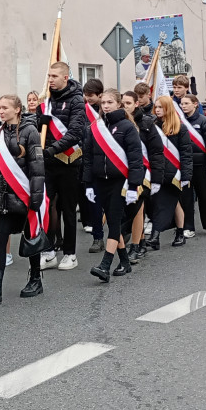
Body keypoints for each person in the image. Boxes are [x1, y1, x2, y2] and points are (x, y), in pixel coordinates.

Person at [0, 94, 45, 302]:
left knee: (30, 237)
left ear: (17, 109)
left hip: (23, 194)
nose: (1, 111)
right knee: (1, 237)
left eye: (5, 107)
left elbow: (37, 167)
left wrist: (36, 197)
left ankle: (35, 278)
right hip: (3, 195)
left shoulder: (30, 131)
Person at [81, 90, 144, 281]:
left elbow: (135, 159)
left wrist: (134, 186)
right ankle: (124, 262)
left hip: (120, 182)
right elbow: (89, 158)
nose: (106, 106)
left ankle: (105, 264)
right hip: (101, 182)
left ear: (119, 104)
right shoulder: (96, 127)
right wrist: (88, 183)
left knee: (114, 223)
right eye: (103, 103)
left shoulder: (127, 127)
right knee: (111, 221)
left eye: (110, 102)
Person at [37, 62, 88, 271]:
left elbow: (75, 132)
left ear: (65, 77)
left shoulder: (76, 100)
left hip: (68, 162)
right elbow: (36, 127)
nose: (50, 80)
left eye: (55, 76)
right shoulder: (46, 100)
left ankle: (70, 253)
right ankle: (48, 252)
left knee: (68, 209)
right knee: (46, 208)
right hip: (47, 164)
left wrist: (51, 149)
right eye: (49, 76)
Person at [122, 91, 163, 261]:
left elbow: (156, 152)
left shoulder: (146, 122)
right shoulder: (119, 123)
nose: (125, 107)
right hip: (125, 172)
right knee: (131, 210)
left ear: (136, 104)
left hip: (143, 173)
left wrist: (157, 179)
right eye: (122, 103)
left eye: (128, 103)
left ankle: (136, 245)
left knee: (138, 208)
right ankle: (142, 242)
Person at [147, 95, 192, 250]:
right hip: (157, 172)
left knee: (164, 203)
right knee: (172, 203)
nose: (158, 110)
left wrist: (186, 175)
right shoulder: (152, 125)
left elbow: (186, 153)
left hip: (174, 174)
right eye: (156, 107)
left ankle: (156, 235)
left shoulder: (180, 127)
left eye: (161, 107)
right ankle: (177, 232)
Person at [179, 94, 206, 237]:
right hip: (185, 165)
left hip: (201, 165)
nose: (183, 106)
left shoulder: (205, 122)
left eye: (186, 103)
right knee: (186, 197)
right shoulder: (179, 122)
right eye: (181, 104)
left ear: (195, 104)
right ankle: (188, 226)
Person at [80, 79, 106, 254]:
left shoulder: (109, 113)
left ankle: (122, 233)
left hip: (111, 164)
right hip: (93, 162)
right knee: (94, 204)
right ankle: (98, 238)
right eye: (86, 95)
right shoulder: (83, 111)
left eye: (91, 96)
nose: (88, 99)